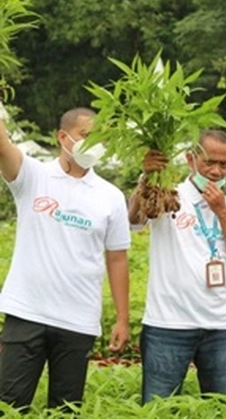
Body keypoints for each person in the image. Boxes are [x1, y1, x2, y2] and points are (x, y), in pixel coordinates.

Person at [0, 108, 130, 412]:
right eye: (87, 136)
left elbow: (117, 259)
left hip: (78, 320)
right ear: (63, 136)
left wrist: (123, 319)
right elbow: (2, 144)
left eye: (101, 138)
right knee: (8, 403)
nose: (95, 145)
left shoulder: (110, 196)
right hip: (27, 313)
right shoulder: (33, 175)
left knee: (66, 408)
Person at [128, 130, 226, 404]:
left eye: (223, 164)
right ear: (190, 159)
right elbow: (133, 220)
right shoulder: (167, 196)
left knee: (223, 408)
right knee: (158, 408)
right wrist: (146, 178)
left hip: (220, 327)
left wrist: (222, 212)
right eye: (208, 162)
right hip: (168, 324)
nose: (215, 171)